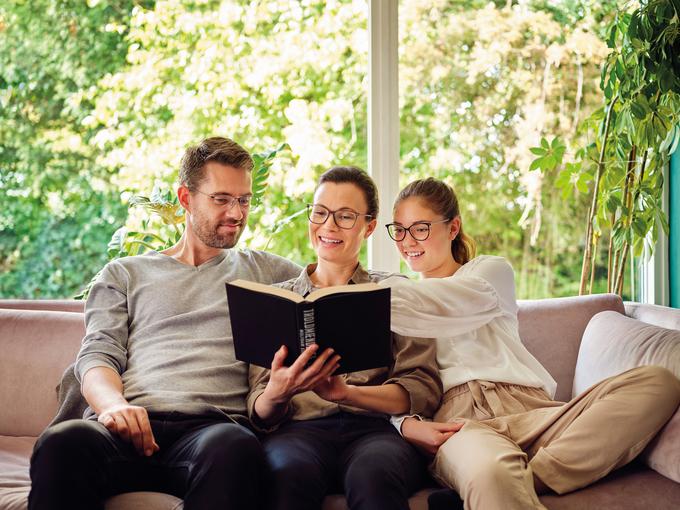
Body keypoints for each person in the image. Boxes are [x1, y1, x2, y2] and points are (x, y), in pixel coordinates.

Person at [28, 137, 302, 510]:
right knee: (62, 443)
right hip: (125, 427)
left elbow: (333, 290)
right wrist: (114, 406)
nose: (237, 213)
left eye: (244, 200)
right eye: (222, 199)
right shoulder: (125, 273)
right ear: (186, 199)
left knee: (236, 448)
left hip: (211, 432)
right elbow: (97, 357)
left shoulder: (268, 271)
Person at [382, 177, 680, 510]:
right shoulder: (399, 306)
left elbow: (453, 301)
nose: (407, 241)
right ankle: (503, 480)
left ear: (453, 228)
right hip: (459, 423)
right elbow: (392, 381)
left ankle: (529, 476)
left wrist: (366, 297)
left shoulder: (487, 272)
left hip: (534, 410)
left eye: (420, 228)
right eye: (399, 230)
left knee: (658, 382)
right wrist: (404, 423)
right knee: (491, 473)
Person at [247, 166, 442, 510]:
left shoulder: (394, 293)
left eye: (345, 216)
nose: (329, 226)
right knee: (286, 473)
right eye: (320, 212)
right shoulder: (277, 301)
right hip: (298, 432)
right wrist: (278, 391)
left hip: (376, 432)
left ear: (369, 226)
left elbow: (421, 389)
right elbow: (259, 410)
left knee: (373, 475)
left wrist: (348, 393)